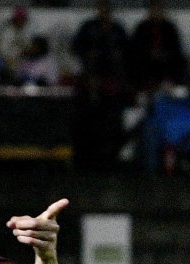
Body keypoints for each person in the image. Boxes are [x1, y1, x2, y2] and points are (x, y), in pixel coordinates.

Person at [70, 0, 130, 168]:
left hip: (112, 85)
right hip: (90, 83)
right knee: (88, 121)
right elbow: (77, 48)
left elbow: (126, 54)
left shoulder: (117, 30)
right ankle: (87, 159)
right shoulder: (89, 28)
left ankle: (109, 159)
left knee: (111, 123)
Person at [127, 0, 188, 95]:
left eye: (159, 10)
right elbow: (135, 48)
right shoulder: (142, 28)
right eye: (154, 10)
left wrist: (164, 53)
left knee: (179, 61)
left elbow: (176, 48)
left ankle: (172, 88)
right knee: (137, 63)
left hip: (166, 59)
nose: (156, 12)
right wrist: (150, 52)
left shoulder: (170, 28)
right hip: (147, 60)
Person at [0, 6, 34, 81]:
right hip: (6, 63)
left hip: (21, 64)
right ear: (15, 19)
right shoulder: (7, 32)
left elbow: (28, 47)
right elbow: (2, 51)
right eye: (19, 19)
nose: (22, 21)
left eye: (23, 19)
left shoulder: (24, 32)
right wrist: (13, 57)